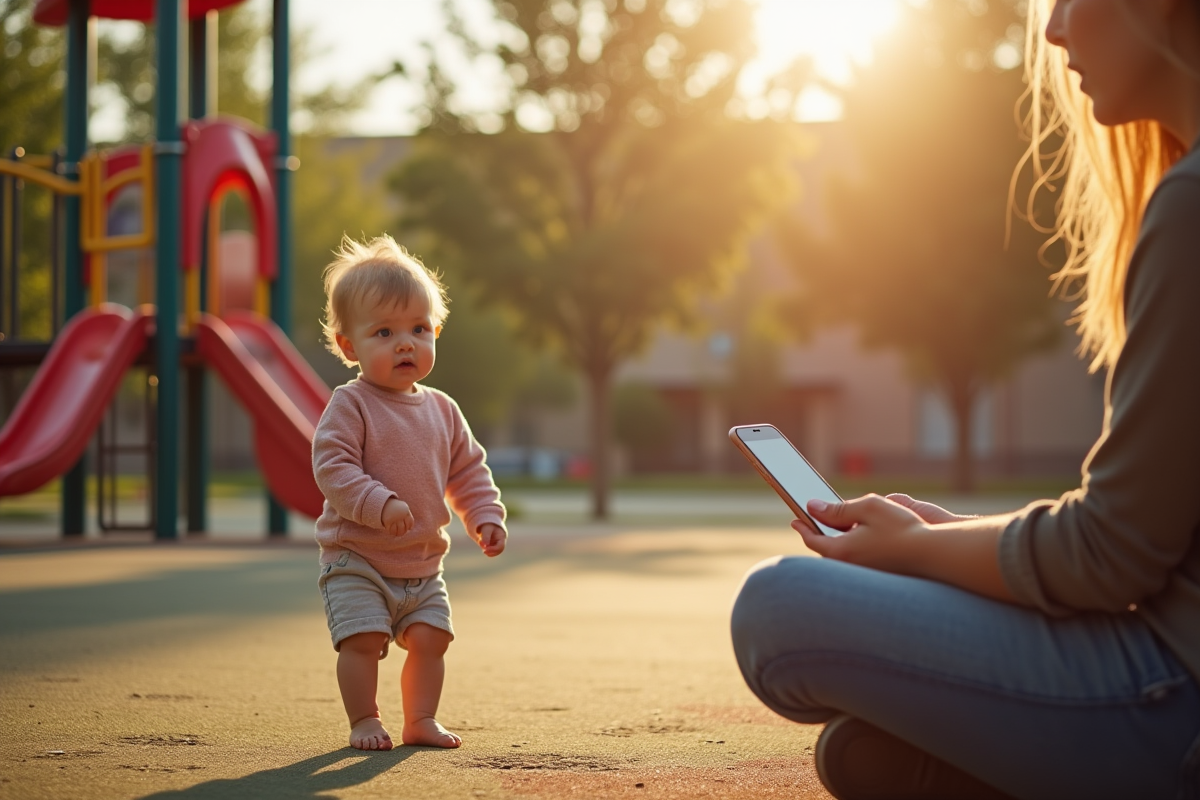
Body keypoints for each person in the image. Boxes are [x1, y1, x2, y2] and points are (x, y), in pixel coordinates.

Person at [730, 1, 1200, 798]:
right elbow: (1148, 531)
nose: (1052, 31)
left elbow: (1109, 557)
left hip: (1173, 693)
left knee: (778, 610)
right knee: (864, 754)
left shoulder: (1191, 206)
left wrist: (912, 550)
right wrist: (942, 534)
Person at [312, 234, 507, 751]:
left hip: (422, 562)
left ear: (436, 332)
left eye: (419, 329)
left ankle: (420, 719)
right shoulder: (351, 405)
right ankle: (364, 720)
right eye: (384, 332)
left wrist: (484, 514)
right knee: (362, 640)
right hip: (358, 558)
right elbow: (332, 466)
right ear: (349, 345)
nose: (406, 343)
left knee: (431, 639)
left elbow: (468, 469)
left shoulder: (442, 409)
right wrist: (380, 503)